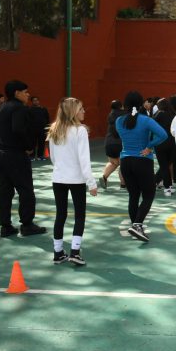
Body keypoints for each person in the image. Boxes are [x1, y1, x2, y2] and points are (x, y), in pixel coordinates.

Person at [0, 80, 46, 238]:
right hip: (15, 154)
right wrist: (29, 145)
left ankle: (5, 226)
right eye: (25, 92)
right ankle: (27, 224)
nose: (28, 94)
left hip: (1, 153)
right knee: (26, 190)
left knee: (4, 191)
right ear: (17, 93)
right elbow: (19, 129)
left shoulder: (1, 108)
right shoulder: (19, 108)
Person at [47, 98, 97, 265]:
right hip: (76, 179)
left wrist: (62, 168)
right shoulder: (80, 131)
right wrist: (91, 183)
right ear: (73, 111)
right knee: (79, 215)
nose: (84, 111)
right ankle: (75, 252)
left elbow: (53, 158)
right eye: (81, 109)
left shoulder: (54, 129)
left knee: (60, 214)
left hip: (58, 178)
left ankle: (58, 252)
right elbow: (84, 160)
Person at [116, 91, 168, 242]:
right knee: (149, 194)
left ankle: (135, 225)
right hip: (143, 160)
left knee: (133, 195)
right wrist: (149, 146)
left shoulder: (120, 121)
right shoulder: (146, 120)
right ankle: (138, 225)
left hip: (125, 161)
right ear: (141, 104)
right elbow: (163, 135)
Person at [153, 98, 176, 197]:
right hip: (172, 143)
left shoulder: (158, 114)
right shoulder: (174, 114)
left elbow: (152, 127)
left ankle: (167, 187)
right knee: (166, 165)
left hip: (160, 143)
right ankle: (168, 186)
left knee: (163, 166)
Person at [100, 100, 127, 190]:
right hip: (120, 142)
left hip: (109, 142)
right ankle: (123, 184)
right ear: (121, 106)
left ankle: (104, 177)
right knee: (123, 164)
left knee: (113, 163)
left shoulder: (110, 115)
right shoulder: (124, 114)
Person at [28, 96, 50, 160]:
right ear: (32, 102)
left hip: (42, 129)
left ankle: (40, 156)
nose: (36, 101)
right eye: (34, 100)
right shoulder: (29, 110)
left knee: (41, 142)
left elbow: (47, 118)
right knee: (32, 143)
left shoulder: (43, 109)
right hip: (32, 130)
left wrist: (47, 128)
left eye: (37, 100)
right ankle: (32, 156)